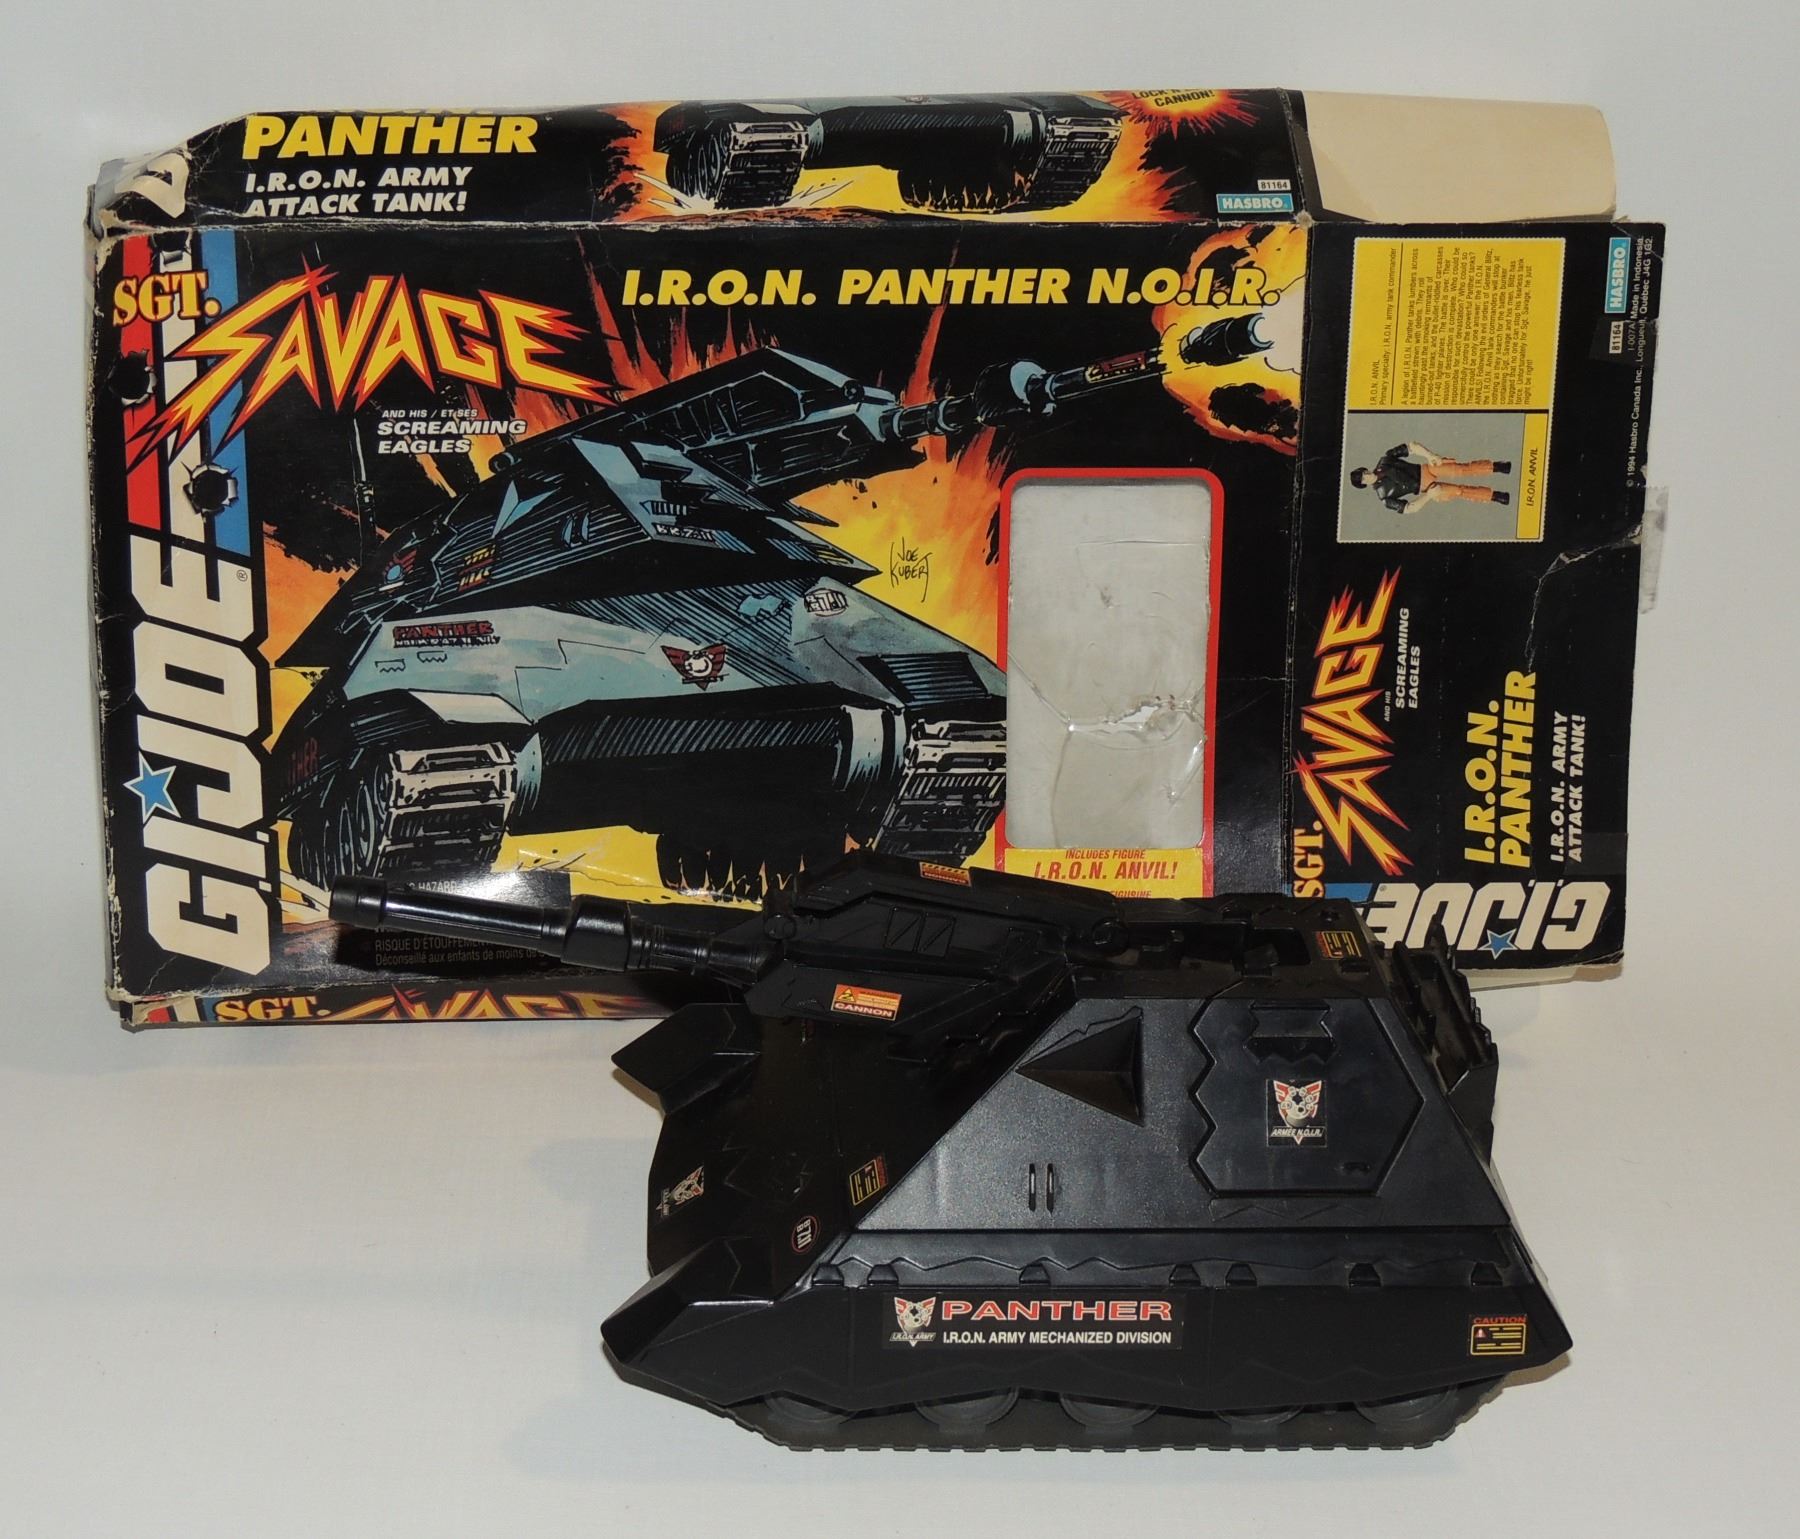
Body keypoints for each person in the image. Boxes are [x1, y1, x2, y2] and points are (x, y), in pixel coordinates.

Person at [1349, 442, 1511, 514]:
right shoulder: (1384, 496)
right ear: (1363, 485)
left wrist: (1429, 455)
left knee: (1462, 469)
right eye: (1363, 479)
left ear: (1366, 469)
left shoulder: (1385, 460)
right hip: (1427, 489)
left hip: (1427, 469)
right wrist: (1429, 496)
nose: (1367, 477)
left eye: (1364, 473)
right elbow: (1409, 508)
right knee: (1459, 491)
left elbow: (1411, 446)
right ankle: (1495, 496)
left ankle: (1498, 466)